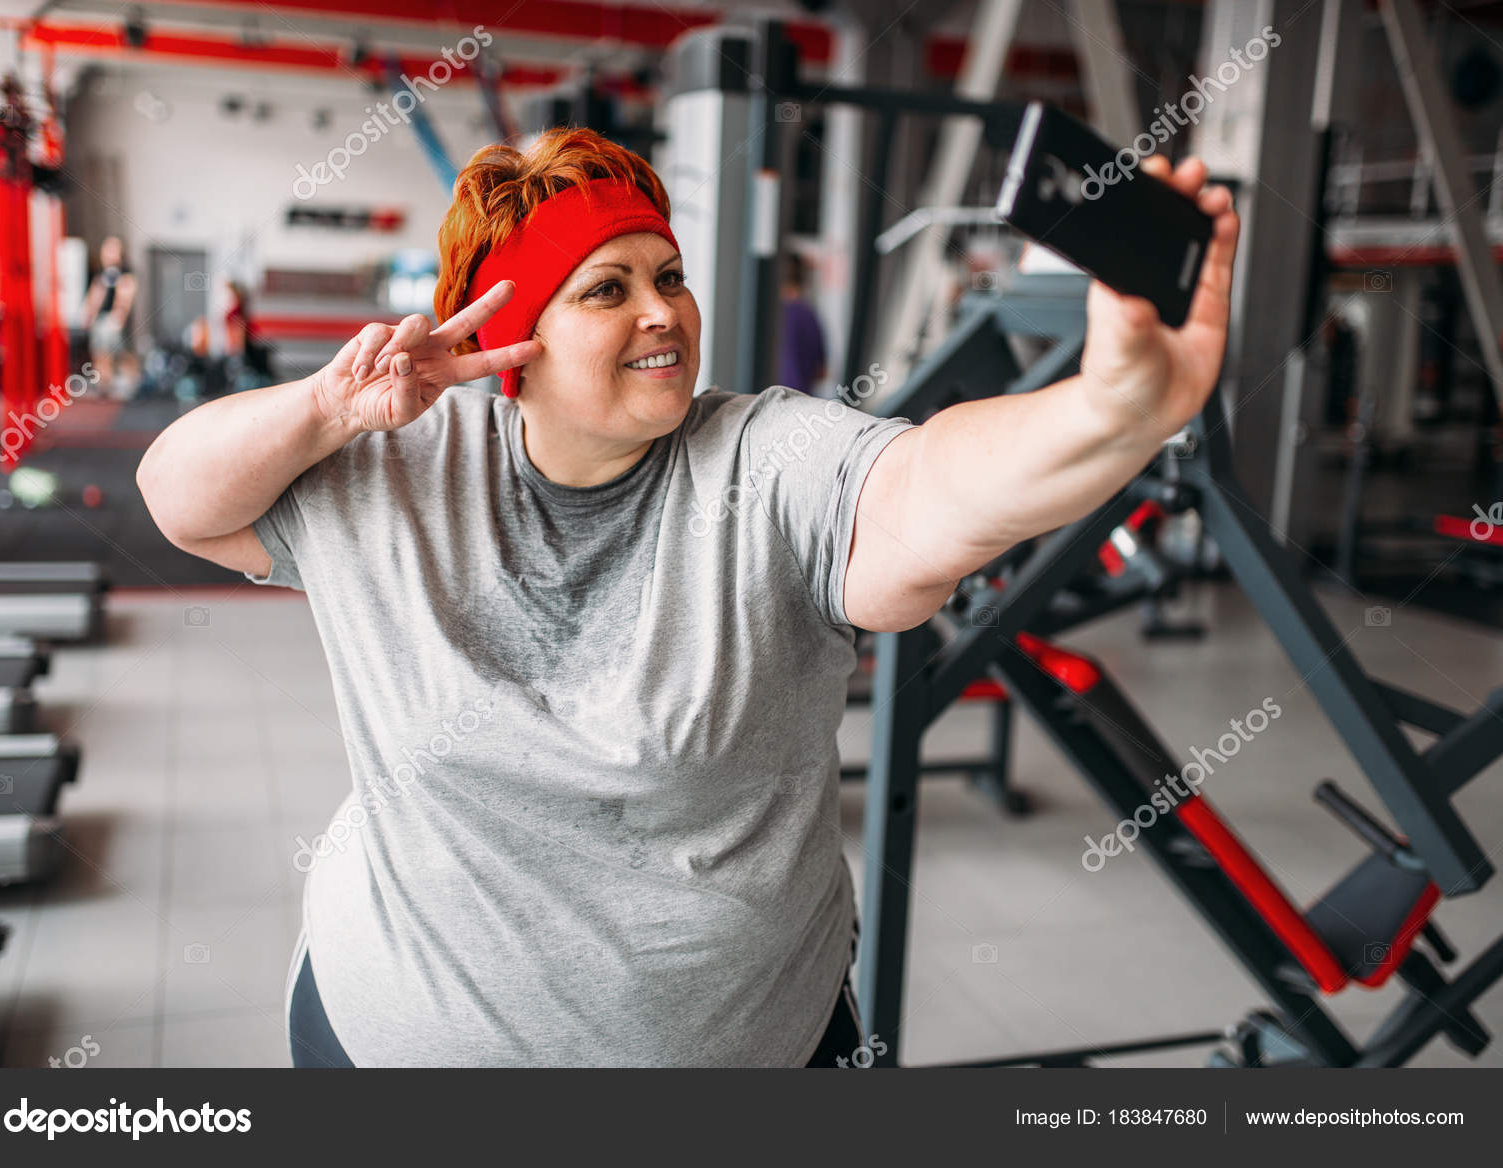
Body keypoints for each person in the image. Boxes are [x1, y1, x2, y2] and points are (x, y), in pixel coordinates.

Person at [135, 128, 1238, 1067]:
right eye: (606, 290)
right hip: (390, 1037)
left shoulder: (759, 459)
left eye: (668, 277)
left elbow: (919, 497)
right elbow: (177, 497)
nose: (660, 312)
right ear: (511, 343)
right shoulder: (396, 467)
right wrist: (325, 412)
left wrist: (1110, 410)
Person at [80, 236, 138, 400]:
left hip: (113, 320)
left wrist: (119, 314)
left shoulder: (124, 273)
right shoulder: (102, 274)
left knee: (119, 352)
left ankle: (132, 382)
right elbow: (95, 294)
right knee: (100, 352)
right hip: (100, 318)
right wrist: (88, 312)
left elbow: (126, 295)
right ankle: (104, 384)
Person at [778, 253, 827, 395]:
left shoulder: (777, 317)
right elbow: (822, 372)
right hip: (802, 402)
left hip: (775, 403)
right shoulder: (809, 315)